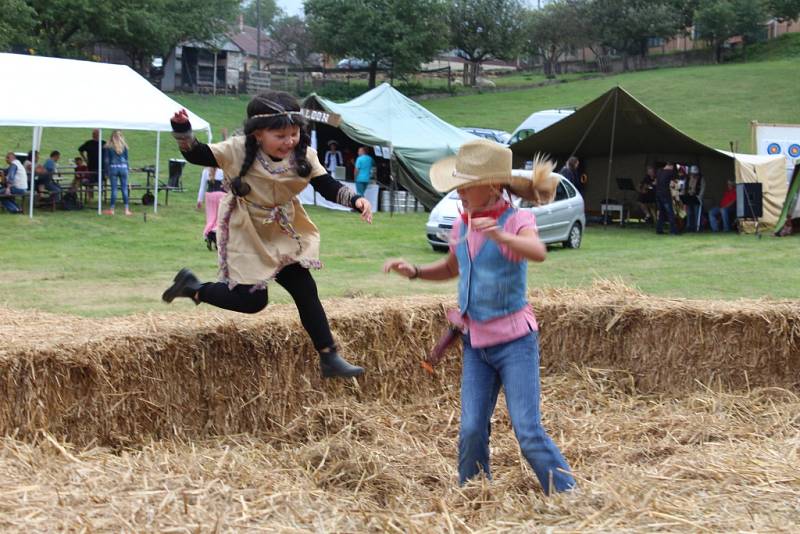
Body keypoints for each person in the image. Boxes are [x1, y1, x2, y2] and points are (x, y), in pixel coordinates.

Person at [383, 139, 576, 495]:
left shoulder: (519, 219)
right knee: (472, 426)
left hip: (515, 343)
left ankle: (567, 494)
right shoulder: (461, 225)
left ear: (490, 186)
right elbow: (452, 267)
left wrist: (502, 235)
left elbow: (538, 252)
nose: (459, 195)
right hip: (476, 345)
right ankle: (473, 492)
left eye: (464, 186)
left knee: (527, 429)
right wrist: (415, 272)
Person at [162, 91, 373, 379]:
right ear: (259, 134)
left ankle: (329, 357)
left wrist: (355, 200)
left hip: (282, 228)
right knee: (253, 302)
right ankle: (193, 288)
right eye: (281, 136)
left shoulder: (304, 155)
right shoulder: (237, 149)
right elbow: (196, 153)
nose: (289, 141)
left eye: (294, 133)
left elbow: (327, 185)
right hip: (246, 229)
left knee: (304, 288)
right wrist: (183, 131)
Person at [103, 130, 132, 216]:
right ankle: (126, 210)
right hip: (123, 168)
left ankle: (112, 209)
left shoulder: (108, 146)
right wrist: (127, 168)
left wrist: (106, 171)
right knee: (124, 189)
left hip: (113, 168)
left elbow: (106, 161)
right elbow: (127, 159)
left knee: (114, 189)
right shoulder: (124, 146)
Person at [197, 166, 226, 250]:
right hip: (222, 194)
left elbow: (202, 187)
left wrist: (199, 200)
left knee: (211, 218)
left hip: (210, 195)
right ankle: (215, 234)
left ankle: (208, 234)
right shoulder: (223, 170)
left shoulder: (206, 171)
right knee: (220, 219)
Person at [655, 163, 678, 235]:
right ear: (671, 166)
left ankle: (659, 230)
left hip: (658, 194)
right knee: (670, 212)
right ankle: (673, 231)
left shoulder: (659, 171)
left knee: (661, 212)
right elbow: (673, 183)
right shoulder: (670, 172)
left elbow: (656, 182)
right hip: (665, 194)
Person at [682, 165, 704, 232]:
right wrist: (683, 195)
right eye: (692, 173)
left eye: (694, 174)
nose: (693, 175)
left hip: (696, 197)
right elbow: (684, 187)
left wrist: (699, 196)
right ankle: (689, 227)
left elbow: (703, 188)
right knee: (689, 213)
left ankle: (697, 227)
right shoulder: (688, 178)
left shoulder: (701, 179)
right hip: (688, 197)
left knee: (696, 213)